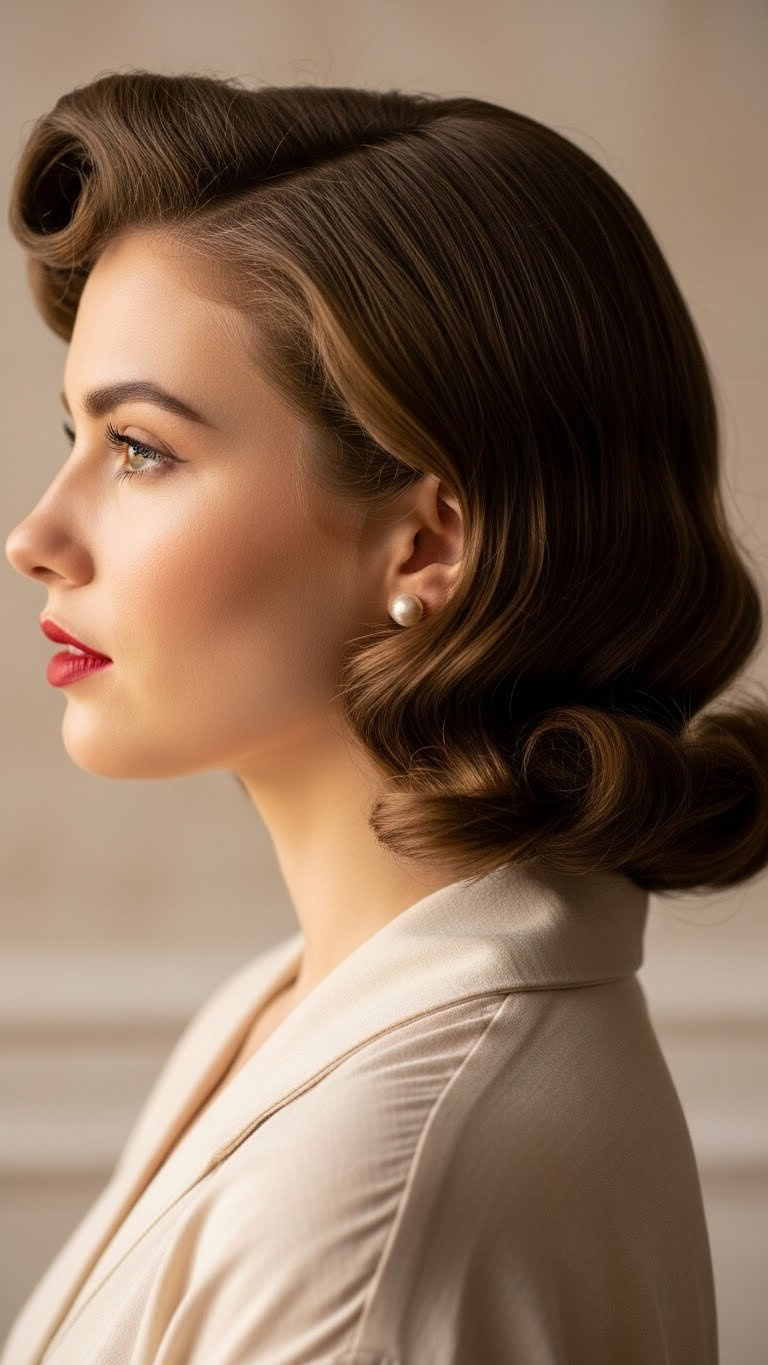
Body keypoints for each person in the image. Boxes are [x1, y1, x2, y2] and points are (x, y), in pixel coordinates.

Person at [5, 69, 763, 1362]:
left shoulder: (369, 1206)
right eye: (73, 433)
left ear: (429, 541)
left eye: (141, 449)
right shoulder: (293, 1004)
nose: (37, 538)